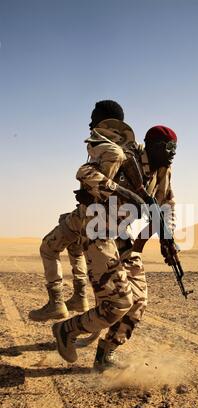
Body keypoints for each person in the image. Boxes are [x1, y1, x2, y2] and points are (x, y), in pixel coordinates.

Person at [52, 123, 177, 371]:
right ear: (152, 146)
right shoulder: (125, 157)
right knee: (118, 302)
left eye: (176, 148)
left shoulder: (163, 171)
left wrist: (166, 237)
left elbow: (167, 206)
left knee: (138, 302)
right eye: (169, 147)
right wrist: (119, 190)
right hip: (97, 231)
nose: (173, 153)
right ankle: (66, 329)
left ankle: (105, 354)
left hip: (123, 237)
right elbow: (84, 172)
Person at [29, 100, 125, 322]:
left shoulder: (110, 150)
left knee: (48, 247)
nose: (90, 122)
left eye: (94, 118)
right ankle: (79, 298)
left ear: (106, 121)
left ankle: (58, 303)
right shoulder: (114, 149)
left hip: (94, 220)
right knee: (70, 244)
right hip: (89, 216)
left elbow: (104, 189)